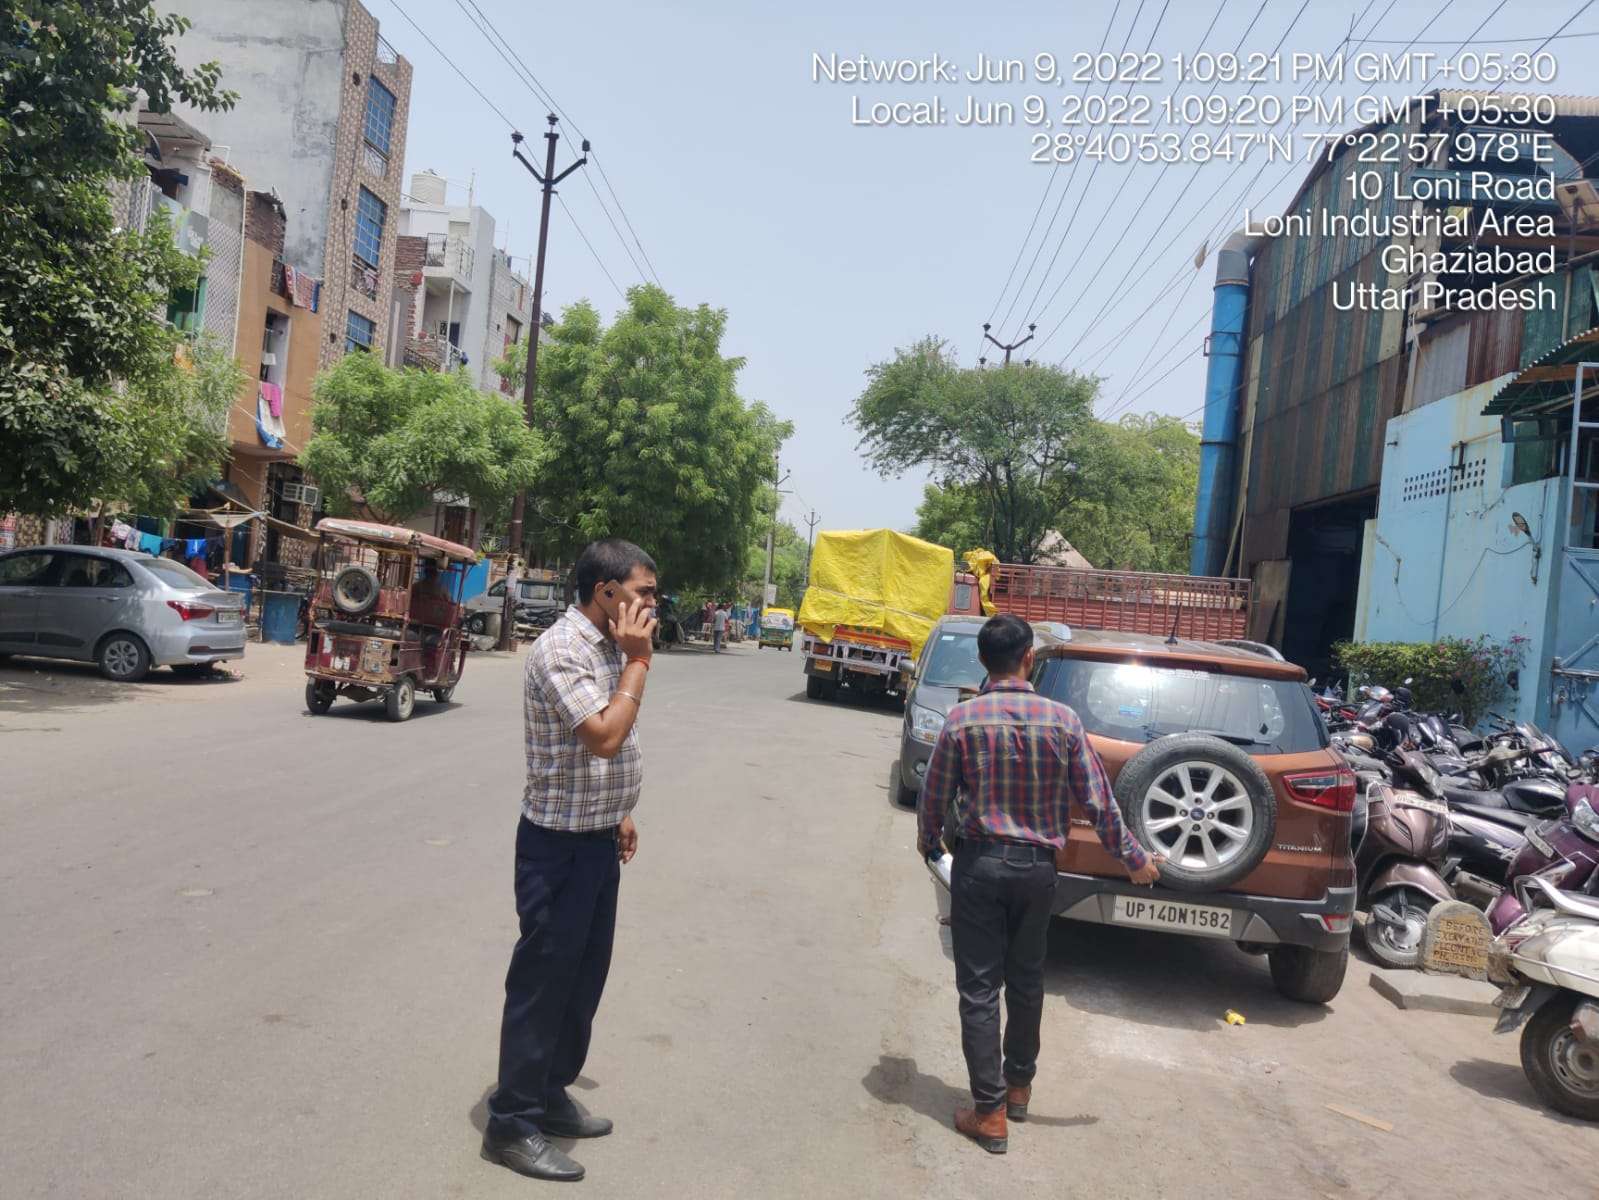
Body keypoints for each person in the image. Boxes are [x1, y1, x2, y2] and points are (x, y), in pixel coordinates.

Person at [916, 613, 1161, 1155]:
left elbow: (934, 797)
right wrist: (1134, 858)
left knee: (980, 988)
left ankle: (989, 1112)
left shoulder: (962, 720)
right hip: (1037, 871)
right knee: (1026, 981)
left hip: (980, 867)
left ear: (983, 661)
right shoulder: (1063, 721)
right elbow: (1099, 802)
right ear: (1029, 658)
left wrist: (929, 843)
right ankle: (1018, 1088)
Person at [482, 538, 659, 1183]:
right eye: (643, 593)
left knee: (584, 979)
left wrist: (619, 810)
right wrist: (639, 663)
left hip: (596, 839)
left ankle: (549, 1092)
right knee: (543, 984)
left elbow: (600, 750)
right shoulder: (562, 650)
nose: (653, 606)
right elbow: (604, 736)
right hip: (556, 849)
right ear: (606, 593)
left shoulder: (607, 647)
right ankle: (511, 1123)